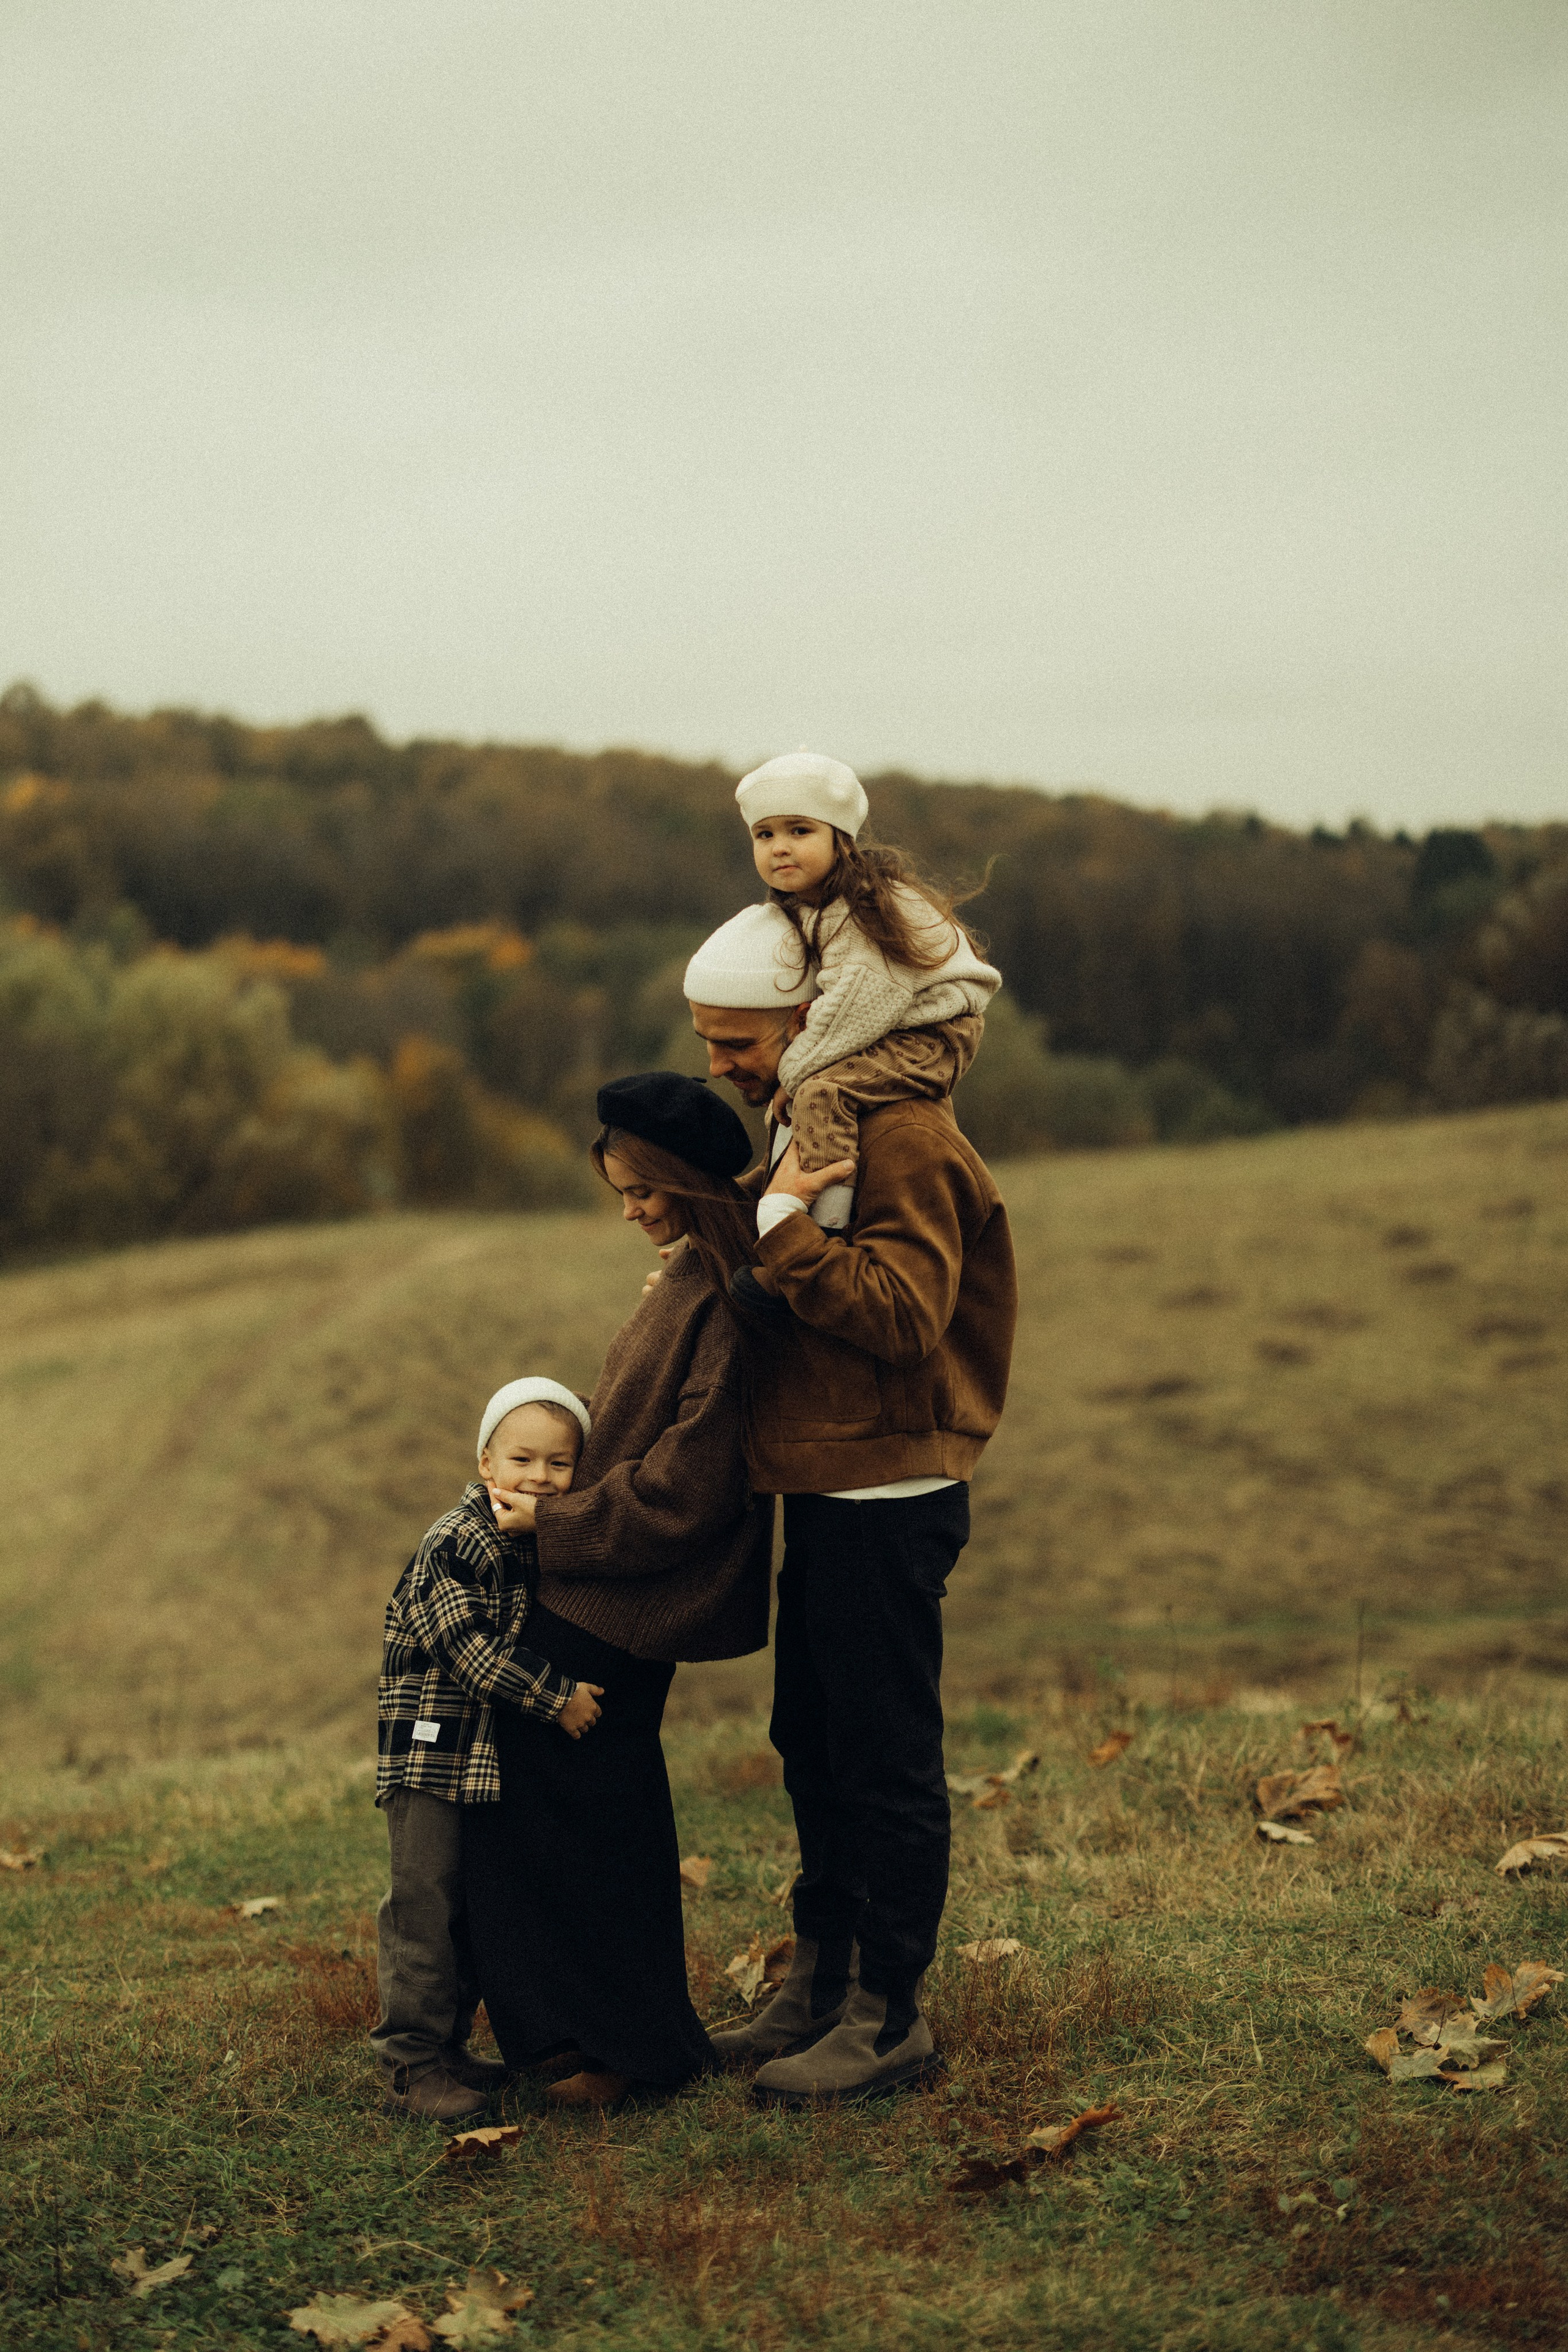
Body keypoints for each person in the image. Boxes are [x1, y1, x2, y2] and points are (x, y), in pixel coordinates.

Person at [683, 885, 1018, 2106]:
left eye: (735, 1042)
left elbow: (903, 1317)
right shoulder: (802, 1124)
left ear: (808, 1017)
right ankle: (816, 1988)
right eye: (706, 1040)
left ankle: (889, 2019)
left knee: (881, 1756)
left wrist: (780, 1242)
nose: (718, 1065)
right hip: (820, 1480)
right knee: (809, 1742)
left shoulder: (906, 1138)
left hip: (890, 1484)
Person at [462, 1072, 774, 2109]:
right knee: (561, 1821)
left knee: (588, 1828)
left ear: (689, 1179)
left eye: (644, 1191)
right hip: (598, 1584)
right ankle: (579, 2044)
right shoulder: (690, 1276)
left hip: (624, 1601)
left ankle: (618, 2053)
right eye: (621, 1195)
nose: (633, 1212)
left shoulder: (729, 1301)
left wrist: (550, 1522)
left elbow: (687, 1489)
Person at [371, 1378, 604, 2123]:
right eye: (522, 1458)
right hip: (431, 1755)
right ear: (485, 1462)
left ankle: (447, 2048)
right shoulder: (457, 1539)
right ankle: (408, 2062)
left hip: (479, 1761)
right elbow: (462, 1645)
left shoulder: (535, 1539)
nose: (539, 1477)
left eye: (560, 1465)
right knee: (425, 1905)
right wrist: (554, 1695)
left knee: (470, 1906)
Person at [736, 750, 1000, 1229]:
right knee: (798, 1097)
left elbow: (853, 1010)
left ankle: (827, 1224)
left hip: (934, 1034)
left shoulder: (862, 911)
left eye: (800, 831)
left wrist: (790, 1074)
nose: (779, 847)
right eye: (764, 834)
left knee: (821, 1095)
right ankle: (776, 1196)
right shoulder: (811, 907)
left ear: (841, 840)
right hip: (895, 1028)